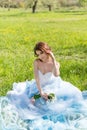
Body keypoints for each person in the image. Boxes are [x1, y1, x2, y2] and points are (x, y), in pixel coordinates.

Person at [0, 41, 87, 130]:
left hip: (53, 85)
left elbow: (57, 74)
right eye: (38, 54)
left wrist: (53, 59)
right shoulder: (37, 62)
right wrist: (40, 91)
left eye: (41, 53)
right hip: (39, 85)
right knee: (32, 101)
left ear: (47, 51)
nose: (40, 56)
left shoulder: (55, 63)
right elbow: (37, 78)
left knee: (52, 102)